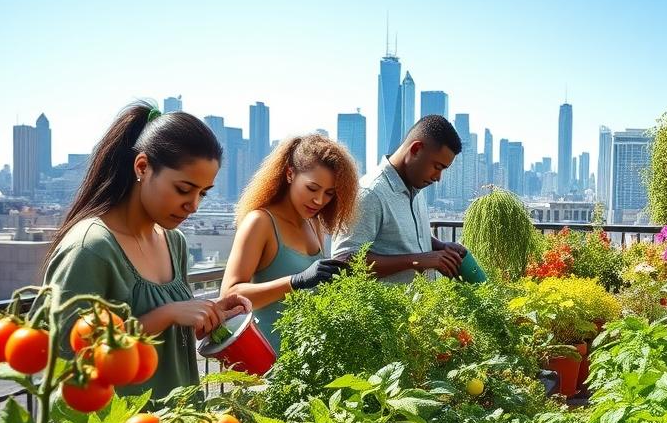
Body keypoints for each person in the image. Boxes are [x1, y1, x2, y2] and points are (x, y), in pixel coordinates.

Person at [44, 102, 250, 399]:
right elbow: (67, 352)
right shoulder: (90, 247)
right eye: (183, 189)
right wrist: (166, 314)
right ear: (142, 167)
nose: (193, 205)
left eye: (202, 193)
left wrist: (210, 313)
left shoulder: (173, 241)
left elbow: (162, 338)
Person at [220, 134, 359, 351]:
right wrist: (295, 281)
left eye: (329, 194)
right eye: (312, 188)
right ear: (290, 174)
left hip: (307, 360)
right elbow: (229, 296)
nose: (319, 200)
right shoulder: (260, 222)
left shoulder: (313, 224)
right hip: (265, 362)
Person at [331, 115, 467, 281]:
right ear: (416, 149)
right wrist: (417, 261)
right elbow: (344, 261)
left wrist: (439, 247)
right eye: (437, 167)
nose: (438, 177)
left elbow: (401, 236)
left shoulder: (416, 186)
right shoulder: (370, 193)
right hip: (384, 307)